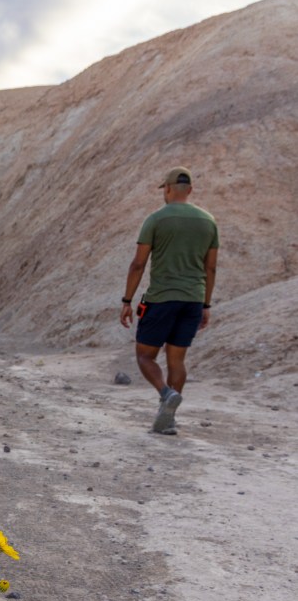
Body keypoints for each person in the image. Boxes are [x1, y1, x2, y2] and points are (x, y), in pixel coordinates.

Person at [119, 168, 218, 435]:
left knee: (144, 355)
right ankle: (169, 418)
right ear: (190, 190)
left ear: (169, 189)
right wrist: (206, 305)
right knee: (177, 361)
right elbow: (211, 269)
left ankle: (165, 394)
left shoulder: (156, 219)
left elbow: (138, 263)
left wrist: (127, 300)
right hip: (193, 300)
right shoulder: (208, 221)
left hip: (162, 299)